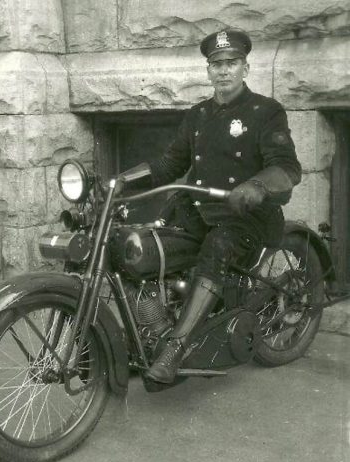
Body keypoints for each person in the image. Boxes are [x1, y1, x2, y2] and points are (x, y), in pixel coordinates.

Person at [118, 29, 301, 384]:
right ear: (208, 71)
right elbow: (169, 165)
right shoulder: (198, 114)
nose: (223, 70)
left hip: (248, 220)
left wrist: (256, 185)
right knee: (143, 247)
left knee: (217, 249)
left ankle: (176, 350)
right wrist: (121, 181)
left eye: (231, 63)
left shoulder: (266, 111)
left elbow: (288, 167)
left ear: (245, 68)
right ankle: (145, 334)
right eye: (216, 64)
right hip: (201, 215)